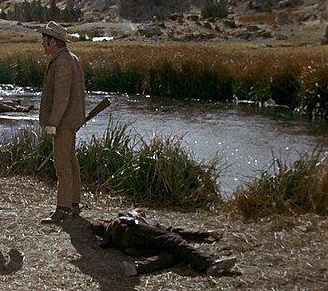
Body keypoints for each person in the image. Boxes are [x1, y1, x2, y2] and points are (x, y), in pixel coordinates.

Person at [87, 209, 237, 277]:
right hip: (131, 232)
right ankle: (207, 263)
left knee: (173, 251)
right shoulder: (128, 219)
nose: (142, 212)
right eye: (139, 211)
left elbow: (173, 231)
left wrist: (204, 233)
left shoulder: (152, 224)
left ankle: (138, 268)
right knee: (172, 240)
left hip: (133, 247)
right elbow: (95, 225)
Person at [37, 21, 86, 224]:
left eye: (45, 40)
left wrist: (53, 123)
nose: (42, 43)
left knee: (62, 166)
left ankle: (63, 208)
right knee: (70, 162)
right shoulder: (68, 58)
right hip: (69, 121)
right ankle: (73, 203)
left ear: (53, 41)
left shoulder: (63, 62)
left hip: (64, 123)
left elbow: (61, 97)